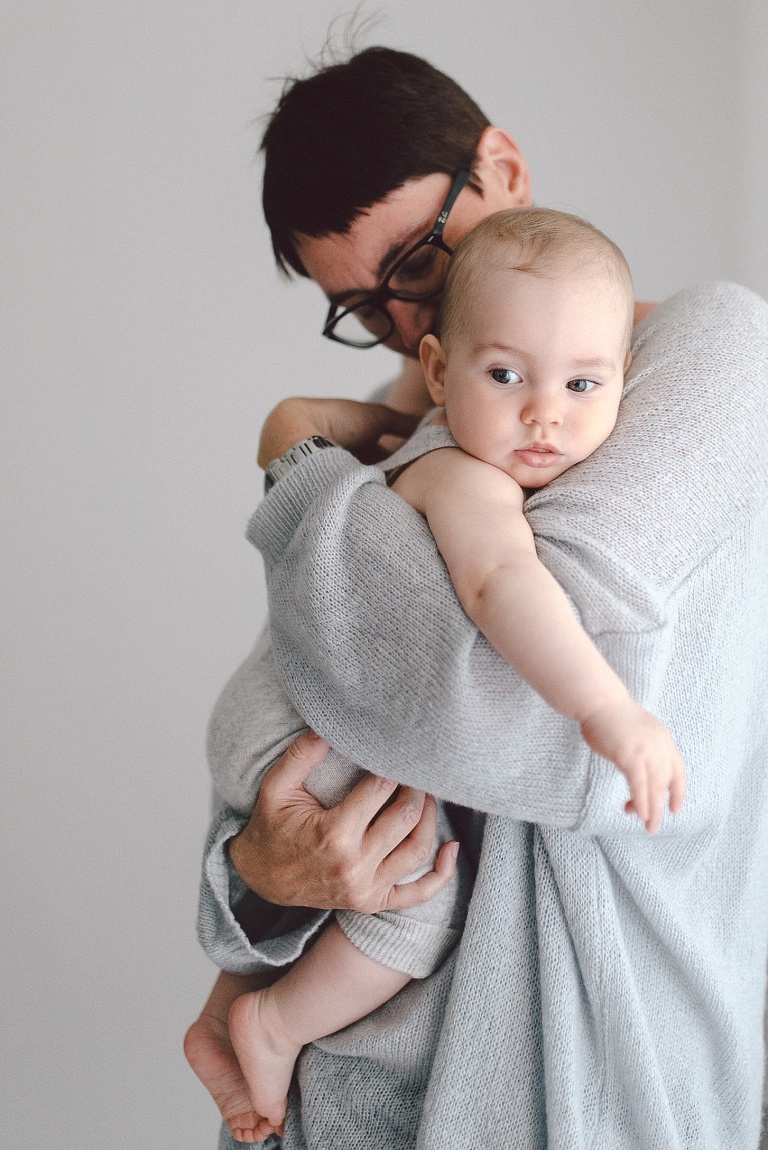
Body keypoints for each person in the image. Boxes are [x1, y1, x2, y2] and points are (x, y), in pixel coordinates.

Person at [185, 45, 768, 1150]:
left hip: (588, 1083)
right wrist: (254, 871)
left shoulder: (710, 352)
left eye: (416, 258)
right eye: (364, 307)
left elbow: (516, 722)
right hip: (336, 1101)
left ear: (501, 168)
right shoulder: (436, 422)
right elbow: (291, 728)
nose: (411, 315)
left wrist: (296, 454)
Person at [210, 207, 685, 1142]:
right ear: (438, 372)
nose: (544, 413)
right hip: (295, 735)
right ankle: (271, 1025)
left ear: (624, 378)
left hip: (312, 719)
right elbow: (500, 581)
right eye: (504, 375)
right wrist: (607, 708)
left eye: (583, 384)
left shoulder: (506, 452)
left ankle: (243, 1005)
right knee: (417, 901)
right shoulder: (463, 474)